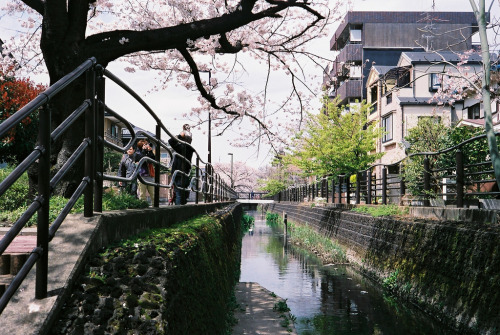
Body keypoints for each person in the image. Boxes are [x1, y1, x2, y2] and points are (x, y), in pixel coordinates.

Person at [168, 125, 194, 205]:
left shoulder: (182, 147)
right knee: (182, 194)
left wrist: (179, 136)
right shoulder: (189, 148)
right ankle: (182, 209)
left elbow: (171, 141)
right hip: (184, 173)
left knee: (179, 194)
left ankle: (178, 211)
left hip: (179, 173)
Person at [136, 139, 156, 204]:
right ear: (141, 146)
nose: (147, 145)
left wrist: (150, 151)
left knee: (153, 194)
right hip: (142, 176)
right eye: (145, 144)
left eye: (147, 144)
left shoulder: (147, 152)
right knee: (142, 195)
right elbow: (143, 159)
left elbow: (153, 160)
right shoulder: (138, 153)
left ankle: (155, 207)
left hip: (150, 176)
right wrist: (144, 151)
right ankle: (143, 208)